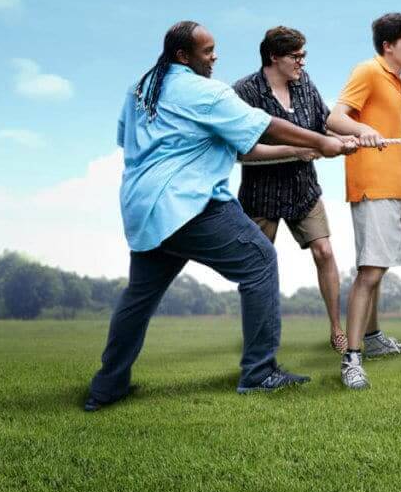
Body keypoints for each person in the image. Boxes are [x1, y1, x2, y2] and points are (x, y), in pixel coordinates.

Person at [85, 21, 354, 411]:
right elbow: (267, 125)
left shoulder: (141, 88)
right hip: (188, 202)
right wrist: (321, 142)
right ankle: (260, 372)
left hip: (143, 207)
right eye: (208, 52)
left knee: (140, 295)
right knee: (260, 260)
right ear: (183, 56)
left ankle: (107, 387)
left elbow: (126, 138)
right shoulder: (204, 92)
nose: (215, 58)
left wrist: (312, 146)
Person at [233, 26, 346, 354]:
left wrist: (354, 136)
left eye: (304, 56)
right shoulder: (244, 91)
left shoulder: (305, 83)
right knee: (258, 265)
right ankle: (259, 335)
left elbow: (324, 123)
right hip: (261, 194)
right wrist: (296, 150)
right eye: (296, 57)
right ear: (273, 57)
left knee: (324, 251)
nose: (302, 63)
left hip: (303, 189)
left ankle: (337, 330)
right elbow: (240, 150)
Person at [326, 13, 401, 390]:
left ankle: (373, 338)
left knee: (379, 266)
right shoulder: (367, 71)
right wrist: (364, 128)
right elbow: (335, 118)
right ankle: (352, 359)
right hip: (372, 185)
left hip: (396, 185)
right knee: (370, 270)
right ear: (388, 46)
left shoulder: (397, 82)